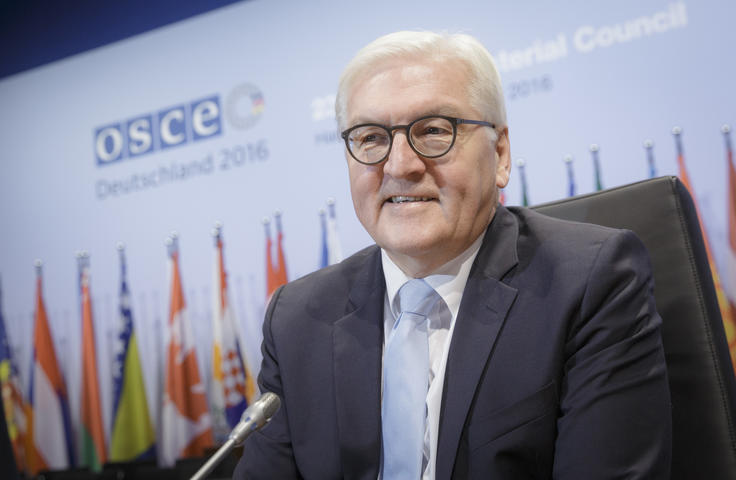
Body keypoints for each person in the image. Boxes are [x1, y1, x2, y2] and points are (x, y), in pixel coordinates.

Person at [234, 31, 671, 479]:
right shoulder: (297, 320)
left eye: (433, 131)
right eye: (370, 138)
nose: (400, 165)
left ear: (500, 153)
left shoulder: (589, 284)